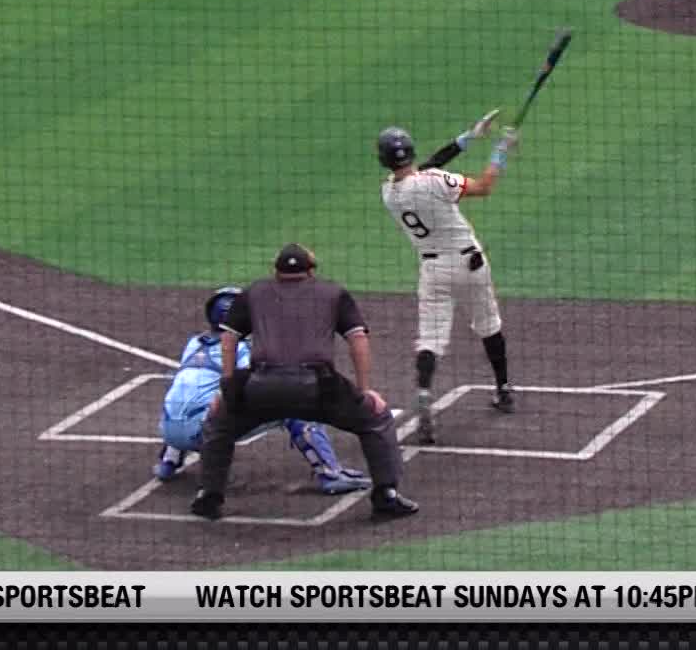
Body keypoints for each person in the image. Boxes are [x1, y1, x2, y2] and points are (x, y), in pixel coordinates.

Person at [190, 244, 417, 522]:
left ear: (275, 270)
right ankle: (386, 496)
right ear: (311, 271)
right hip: (317, 388)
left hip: (261, 386)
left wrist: (228, 388)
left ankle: (209, 495)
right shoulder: (333, 292)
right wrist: (363, 390)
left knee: (219, 424)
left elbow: (228, 338)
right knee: (375, 418)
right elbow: (358, 339)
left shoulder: (255, 292)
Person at [376, 111, 519, 444]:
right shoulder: (435, 181)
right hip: (469, 264)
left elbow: (423, 170)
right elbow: (483, 187)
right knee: (488, 324)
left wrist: (468, 137)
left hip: (433, 271)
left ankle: (424, 391)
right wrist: (501, 150)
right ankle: (503, 389)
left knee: (431, 338)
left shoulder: (389, 193)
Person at [152, 285, 372, 496]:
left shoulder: (193, 343)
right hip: (205, 434)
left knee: (188, 397)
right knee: (295, 406)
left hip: (168, 430)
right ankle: (330, 474)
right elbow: (256, 385)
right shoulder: (240, 349)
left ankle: (169, 461)